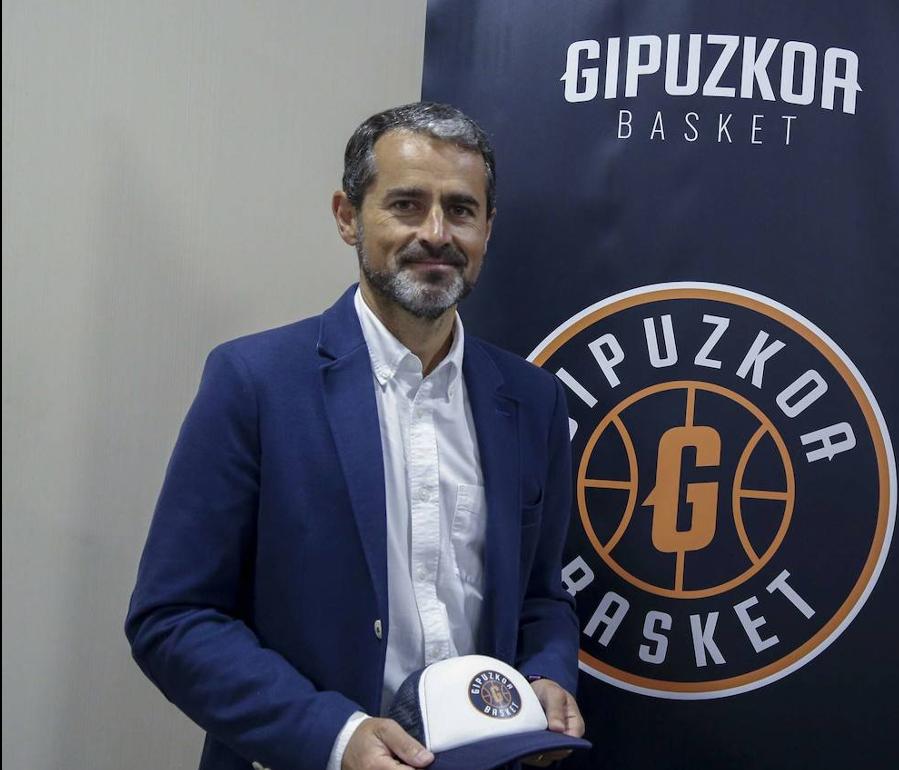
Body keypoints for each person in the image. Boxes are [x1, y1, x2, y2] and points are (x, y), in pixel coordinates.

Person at [126, 102, 584, 770]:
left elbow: (541, 595)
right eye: (406, 205)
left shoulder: (532, 400)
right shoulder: (255, 384)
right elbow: (173, 618)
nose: (436, 233)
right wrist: (334, 738)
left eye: (460, 210)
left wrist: (546, 673)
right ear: (348, 216)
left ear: (487, 227)